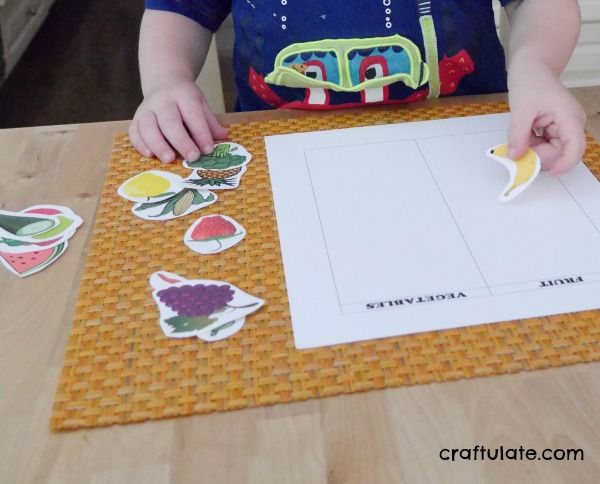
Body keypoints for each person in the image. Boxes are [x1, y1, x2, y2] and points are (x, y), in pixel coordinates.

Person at [129, 0, 586, 175]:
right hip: (280, 157)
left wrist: (535, 66)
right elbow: (180, 10)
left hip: (468, 151)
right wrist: (167, 80)